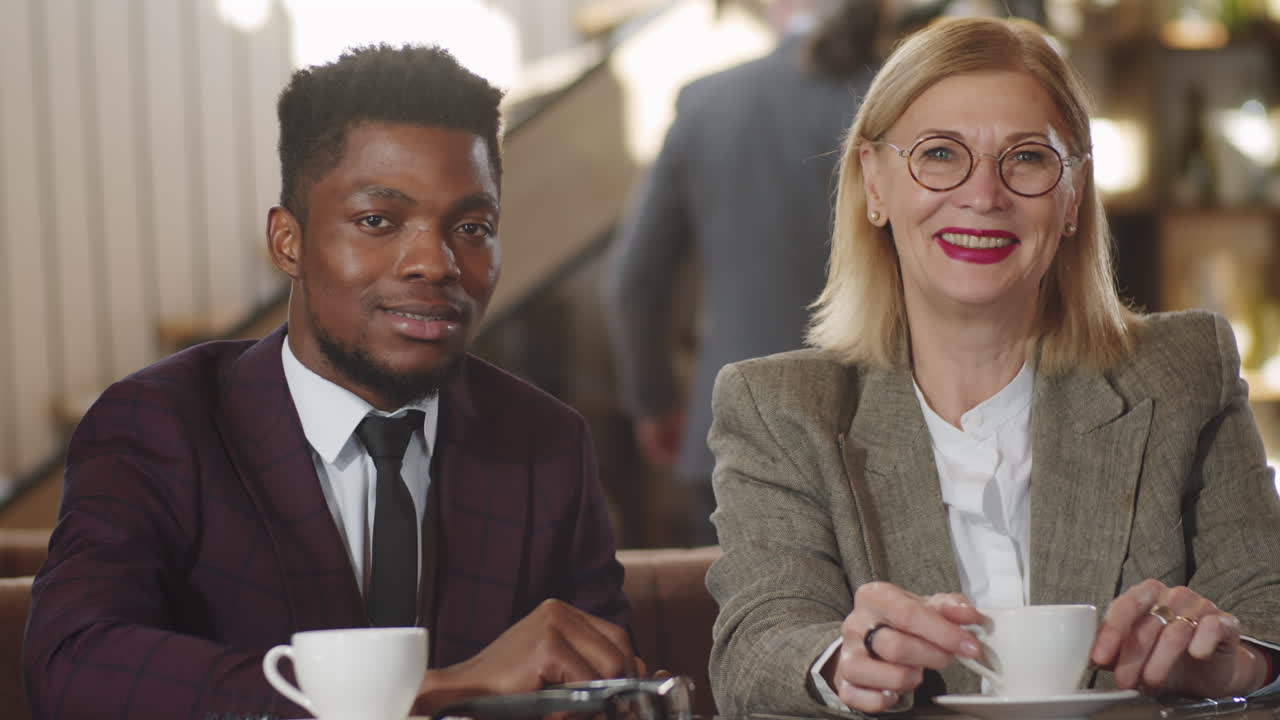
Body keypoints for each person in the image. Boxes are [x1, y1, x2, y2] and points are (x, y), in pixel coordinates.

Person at [24, 44, 639, 720]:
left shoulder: (545, 443)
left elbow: (601, 680)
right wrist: (431, 692)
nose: (435, 262)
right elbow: (73, 662)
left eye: (472, 227)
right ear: (287, 241)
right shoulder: (160, 424)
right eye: (378, 221)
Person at [704, 16, 1280, 717]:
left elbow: (1266, 604)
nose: (983, 195)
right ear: (874, 182)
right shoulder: (779, 405)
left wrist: (1235, 661)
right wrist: (846, 663)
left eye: (1027, 158)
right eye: (940, 154)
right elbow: (758, 644)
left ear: (1073, 195)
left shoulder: (1183, 370)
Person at [601, 0, 885, 545]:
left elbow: (633, 279)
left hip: (739, 430)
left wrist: (654, 400)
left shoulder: (708, 101)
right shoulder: (906, 98)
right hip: (887, 431)